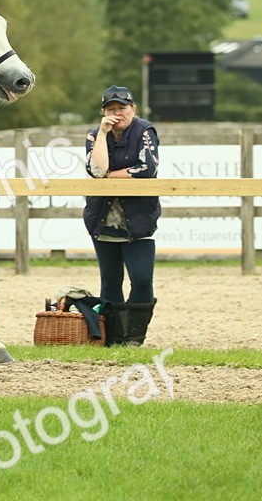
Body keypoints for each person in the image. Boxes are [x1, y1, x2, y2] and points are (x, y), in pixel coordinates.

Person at [84, 85, 160, 345]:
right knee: (111, 281)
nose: (117, 113)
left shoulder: (144, 130)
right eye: (111, 108)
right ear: (103, 112)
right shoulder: (95, 135)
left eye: (122, 108)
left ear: (133, 109)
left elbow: (147, 167)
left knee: (140, 279)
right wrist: (104, 133)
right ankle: (114, 337)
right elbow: (96, 170)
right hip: (103, 220)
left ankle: (135, 336)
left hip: (138, 221)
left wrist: (111, 177)